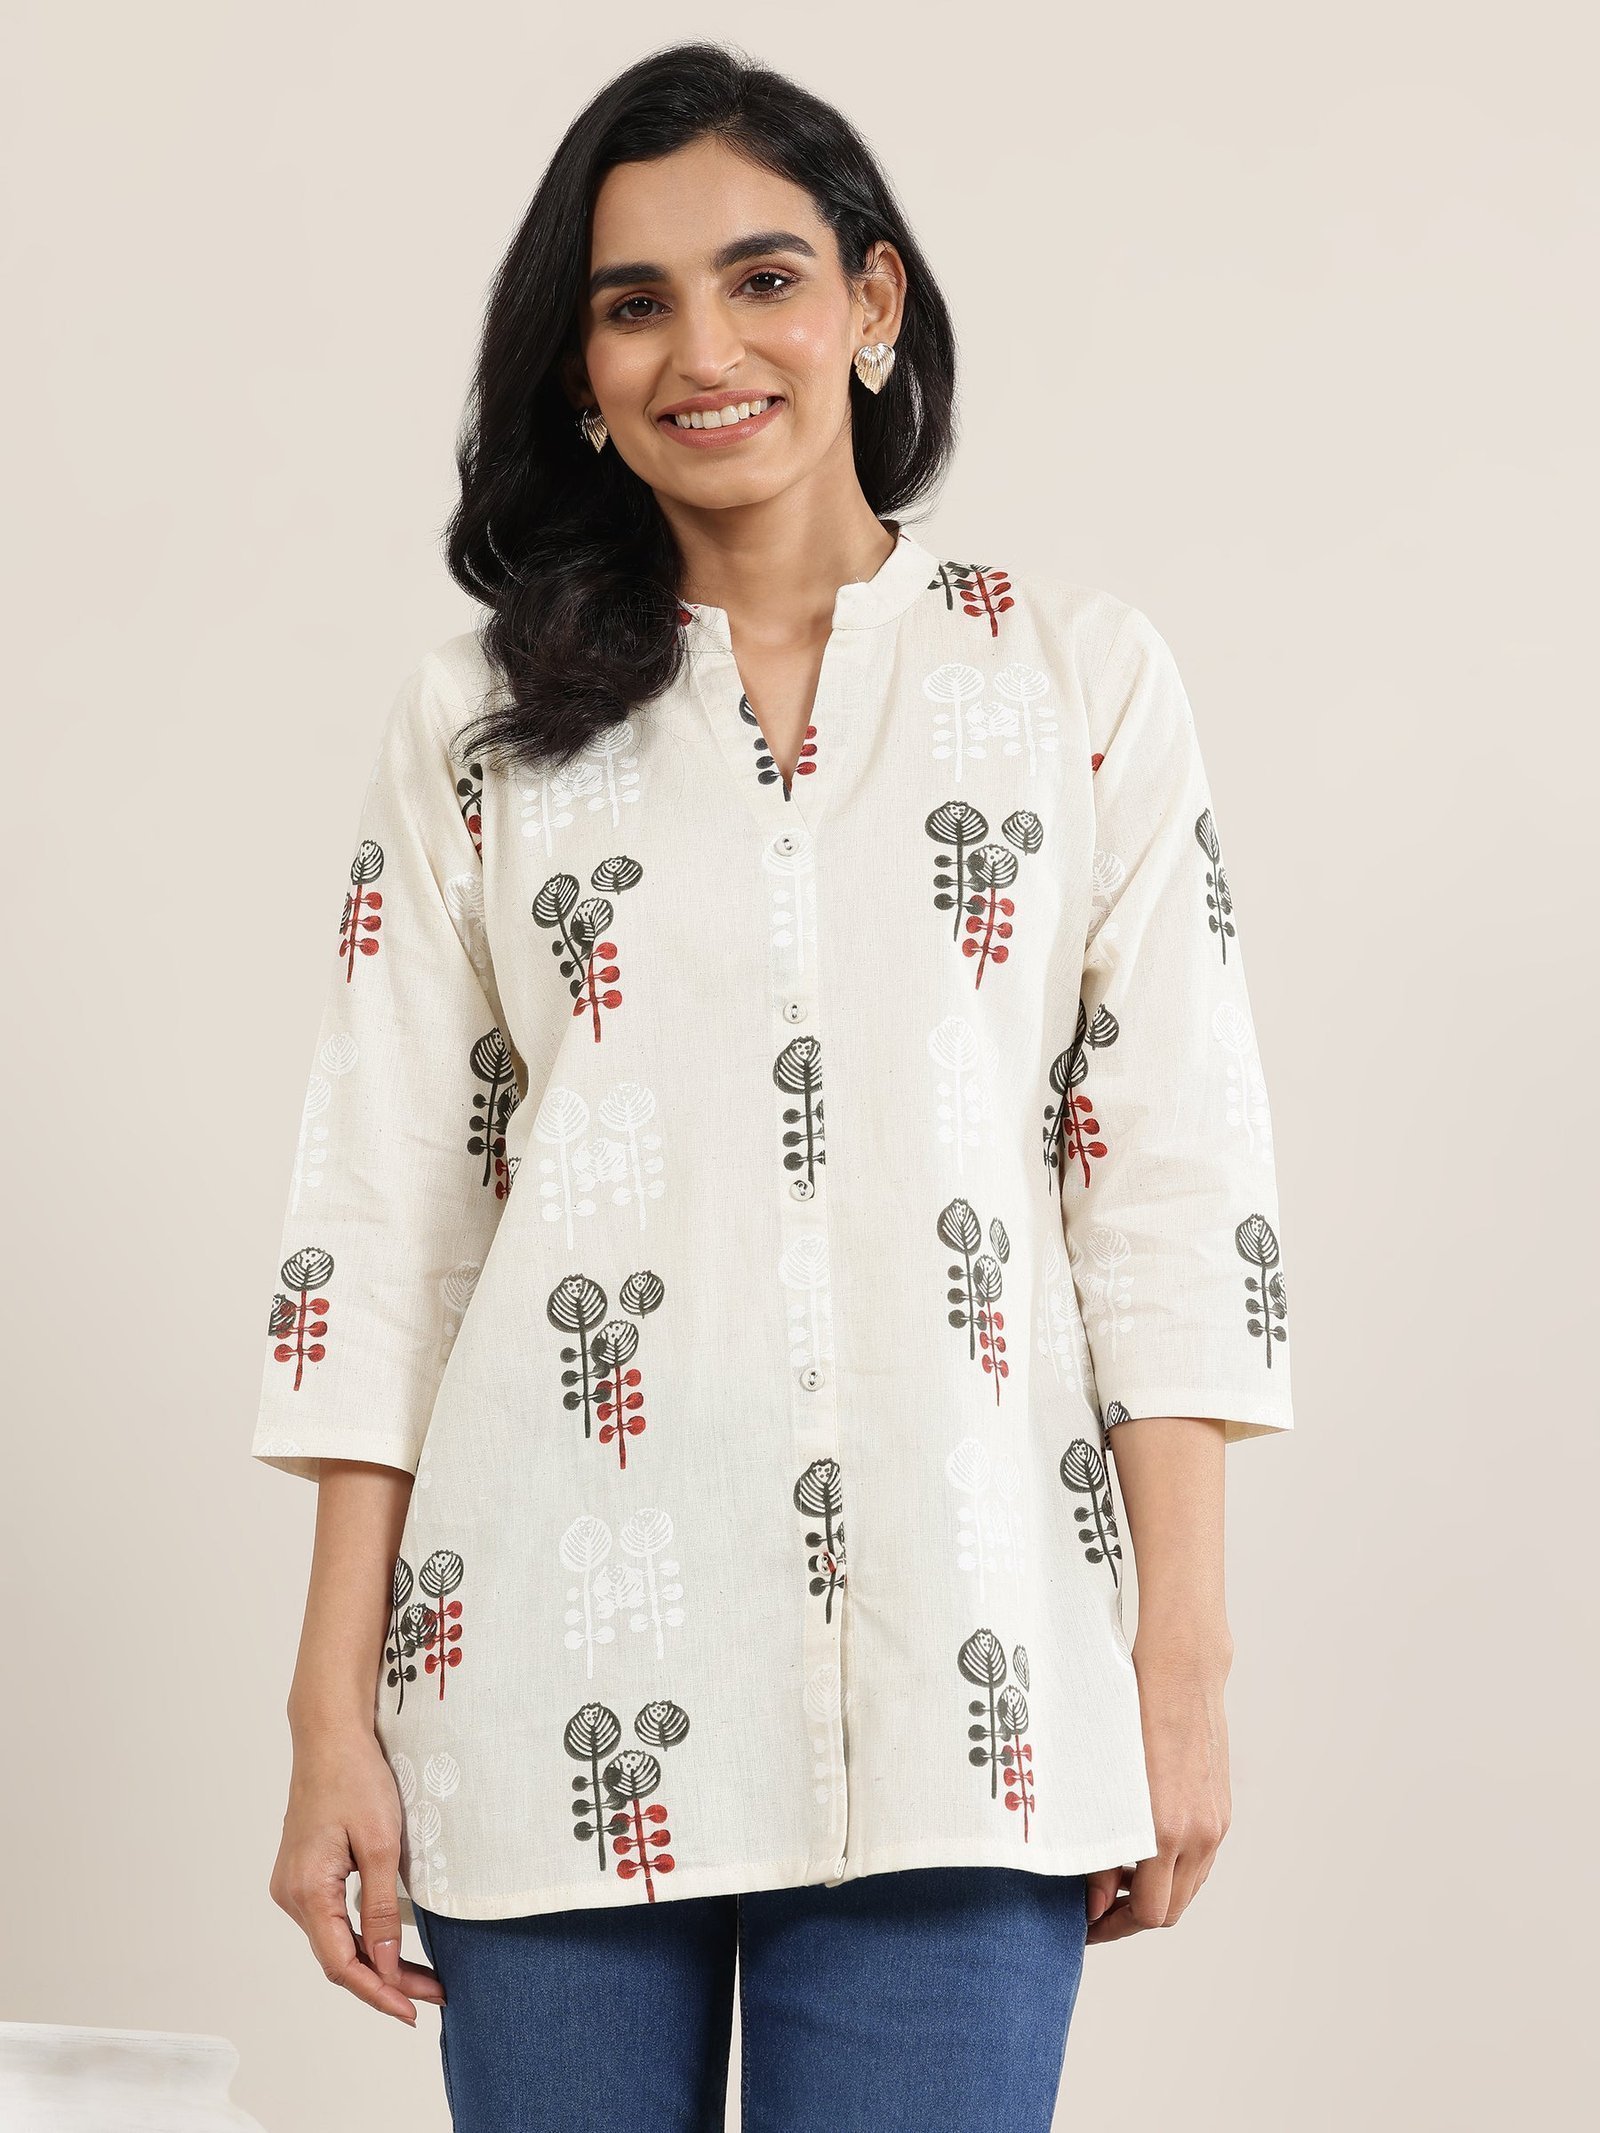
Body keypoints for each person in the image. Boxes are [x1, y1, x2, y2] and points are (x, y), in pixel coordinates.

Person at [254, 41, 1295, 2133]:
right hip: (544, 1672)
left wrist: (1178, 1661)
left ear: (871, 303)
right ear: (578, 371)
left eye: (763, 279)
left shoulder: (1071, 682)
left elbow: (1166, 1191)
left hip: (967, 1691)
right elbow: (388, 1215)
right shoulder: (476, 725)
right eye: (633, 304)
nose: (704, 350)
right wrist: (324, 1712)